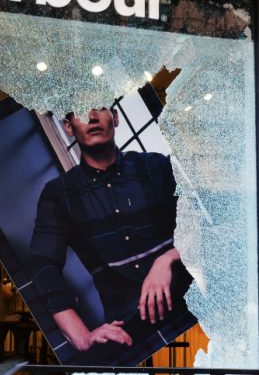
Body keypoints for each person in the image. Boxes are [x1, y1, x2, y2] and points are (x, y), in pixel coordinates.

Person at [29, 106, 195, 365]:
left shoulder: (155, 167)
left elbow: (203, 225)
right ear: (69, 127)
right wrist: (80, 335)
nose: (92, 116)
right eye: (81, 111)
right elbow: (43, 264)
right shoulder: (58, 195)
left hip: (191, 308)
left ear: (115, 118)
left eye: (100, 107)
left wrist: (168, 259)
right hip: (128, 335)